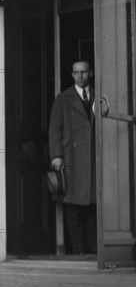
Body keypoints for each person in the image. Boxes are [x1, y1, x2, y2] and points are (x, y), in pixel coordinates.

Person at [48, 60, 97, 254]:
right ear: (72, 75)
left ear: (90, 73)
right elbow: (55, 130)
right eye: (76, 73)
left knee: (93, 207)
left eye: (84, 72)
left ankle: (94, 251)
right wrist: (56, 156)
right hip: (72, 160)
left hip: (93, 160)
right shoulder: (64, 98)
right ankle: (78, 252)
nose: (80, 76)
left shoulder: (98, 95)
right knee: (73, 209)